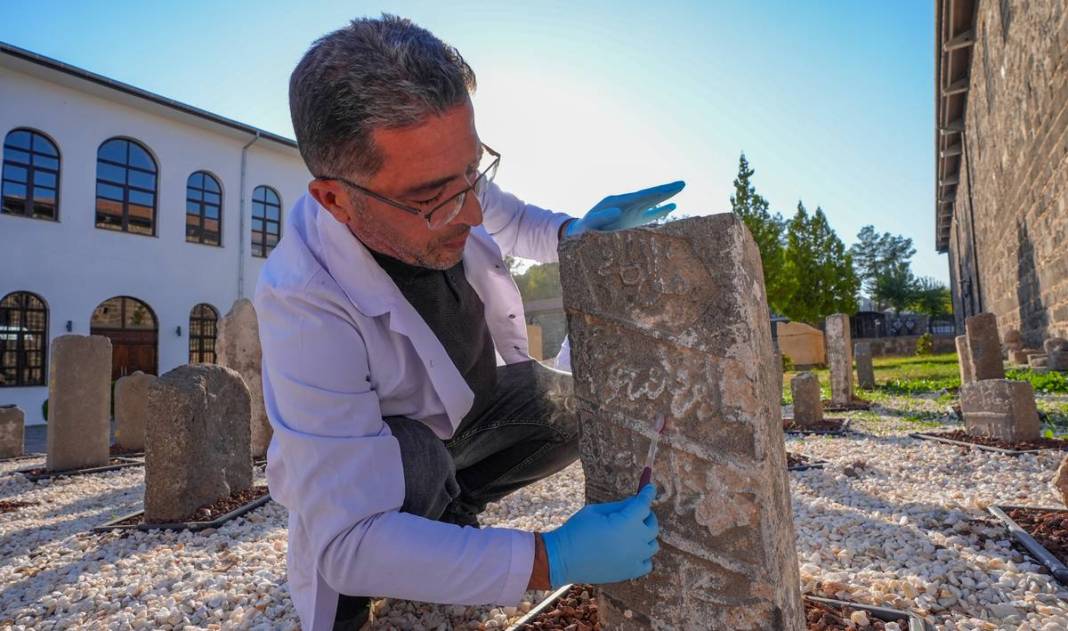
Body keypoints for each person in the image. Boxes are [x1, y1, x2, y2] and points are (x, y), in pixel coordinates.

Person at [255, 14, 684, 630]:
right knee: (414, 464)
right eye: (434, 198)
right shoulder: (304, 301)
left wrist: (573, 234)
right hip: (392, 460)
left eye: (474, 169)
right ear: (336, 199)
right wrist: (549, 558)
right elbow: (347, 541)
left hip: (466, 413)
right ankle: (393, 570)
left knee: (566, 408)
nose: (474, 210)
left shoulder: (445, 179)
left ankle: (446, 528)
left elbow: (511, 218)